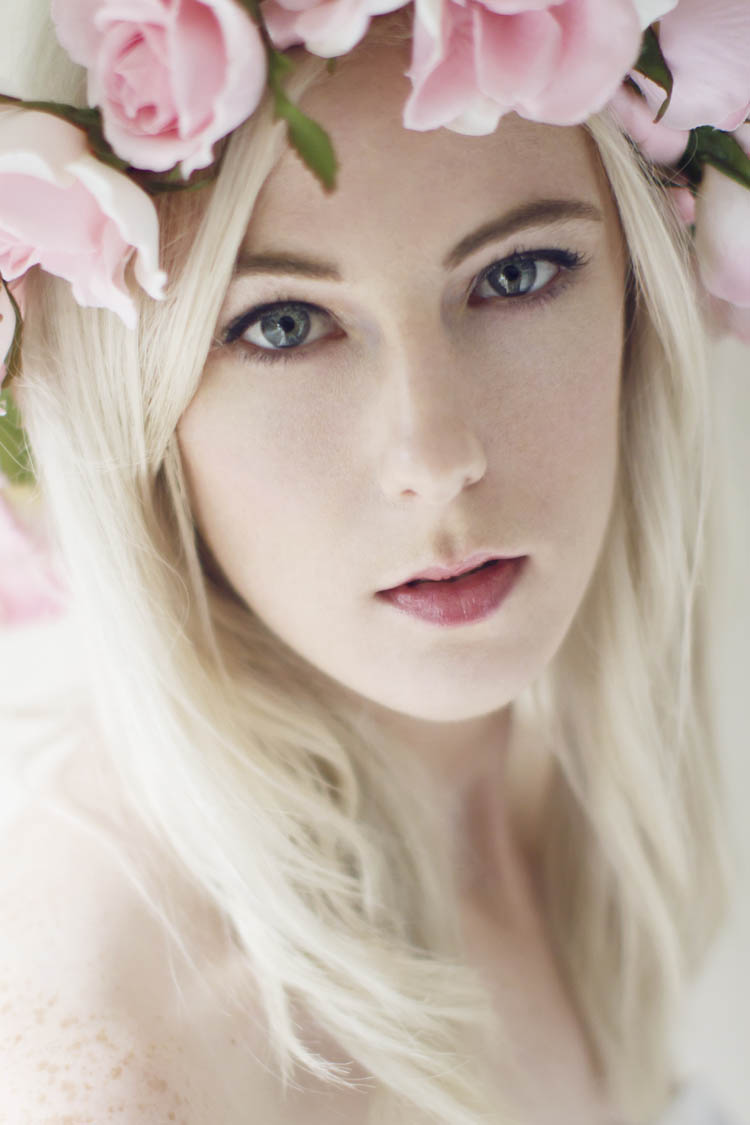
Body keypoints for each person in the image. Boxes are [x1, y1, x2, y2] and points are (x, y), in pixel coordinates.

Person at [0, 3, 745, 1124]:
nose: (438, 458)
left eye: (517, 274)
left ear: (645, 298)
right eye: (285, 325)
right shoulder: (117, 1055)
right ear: (131, 397)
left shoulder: (570, 814)